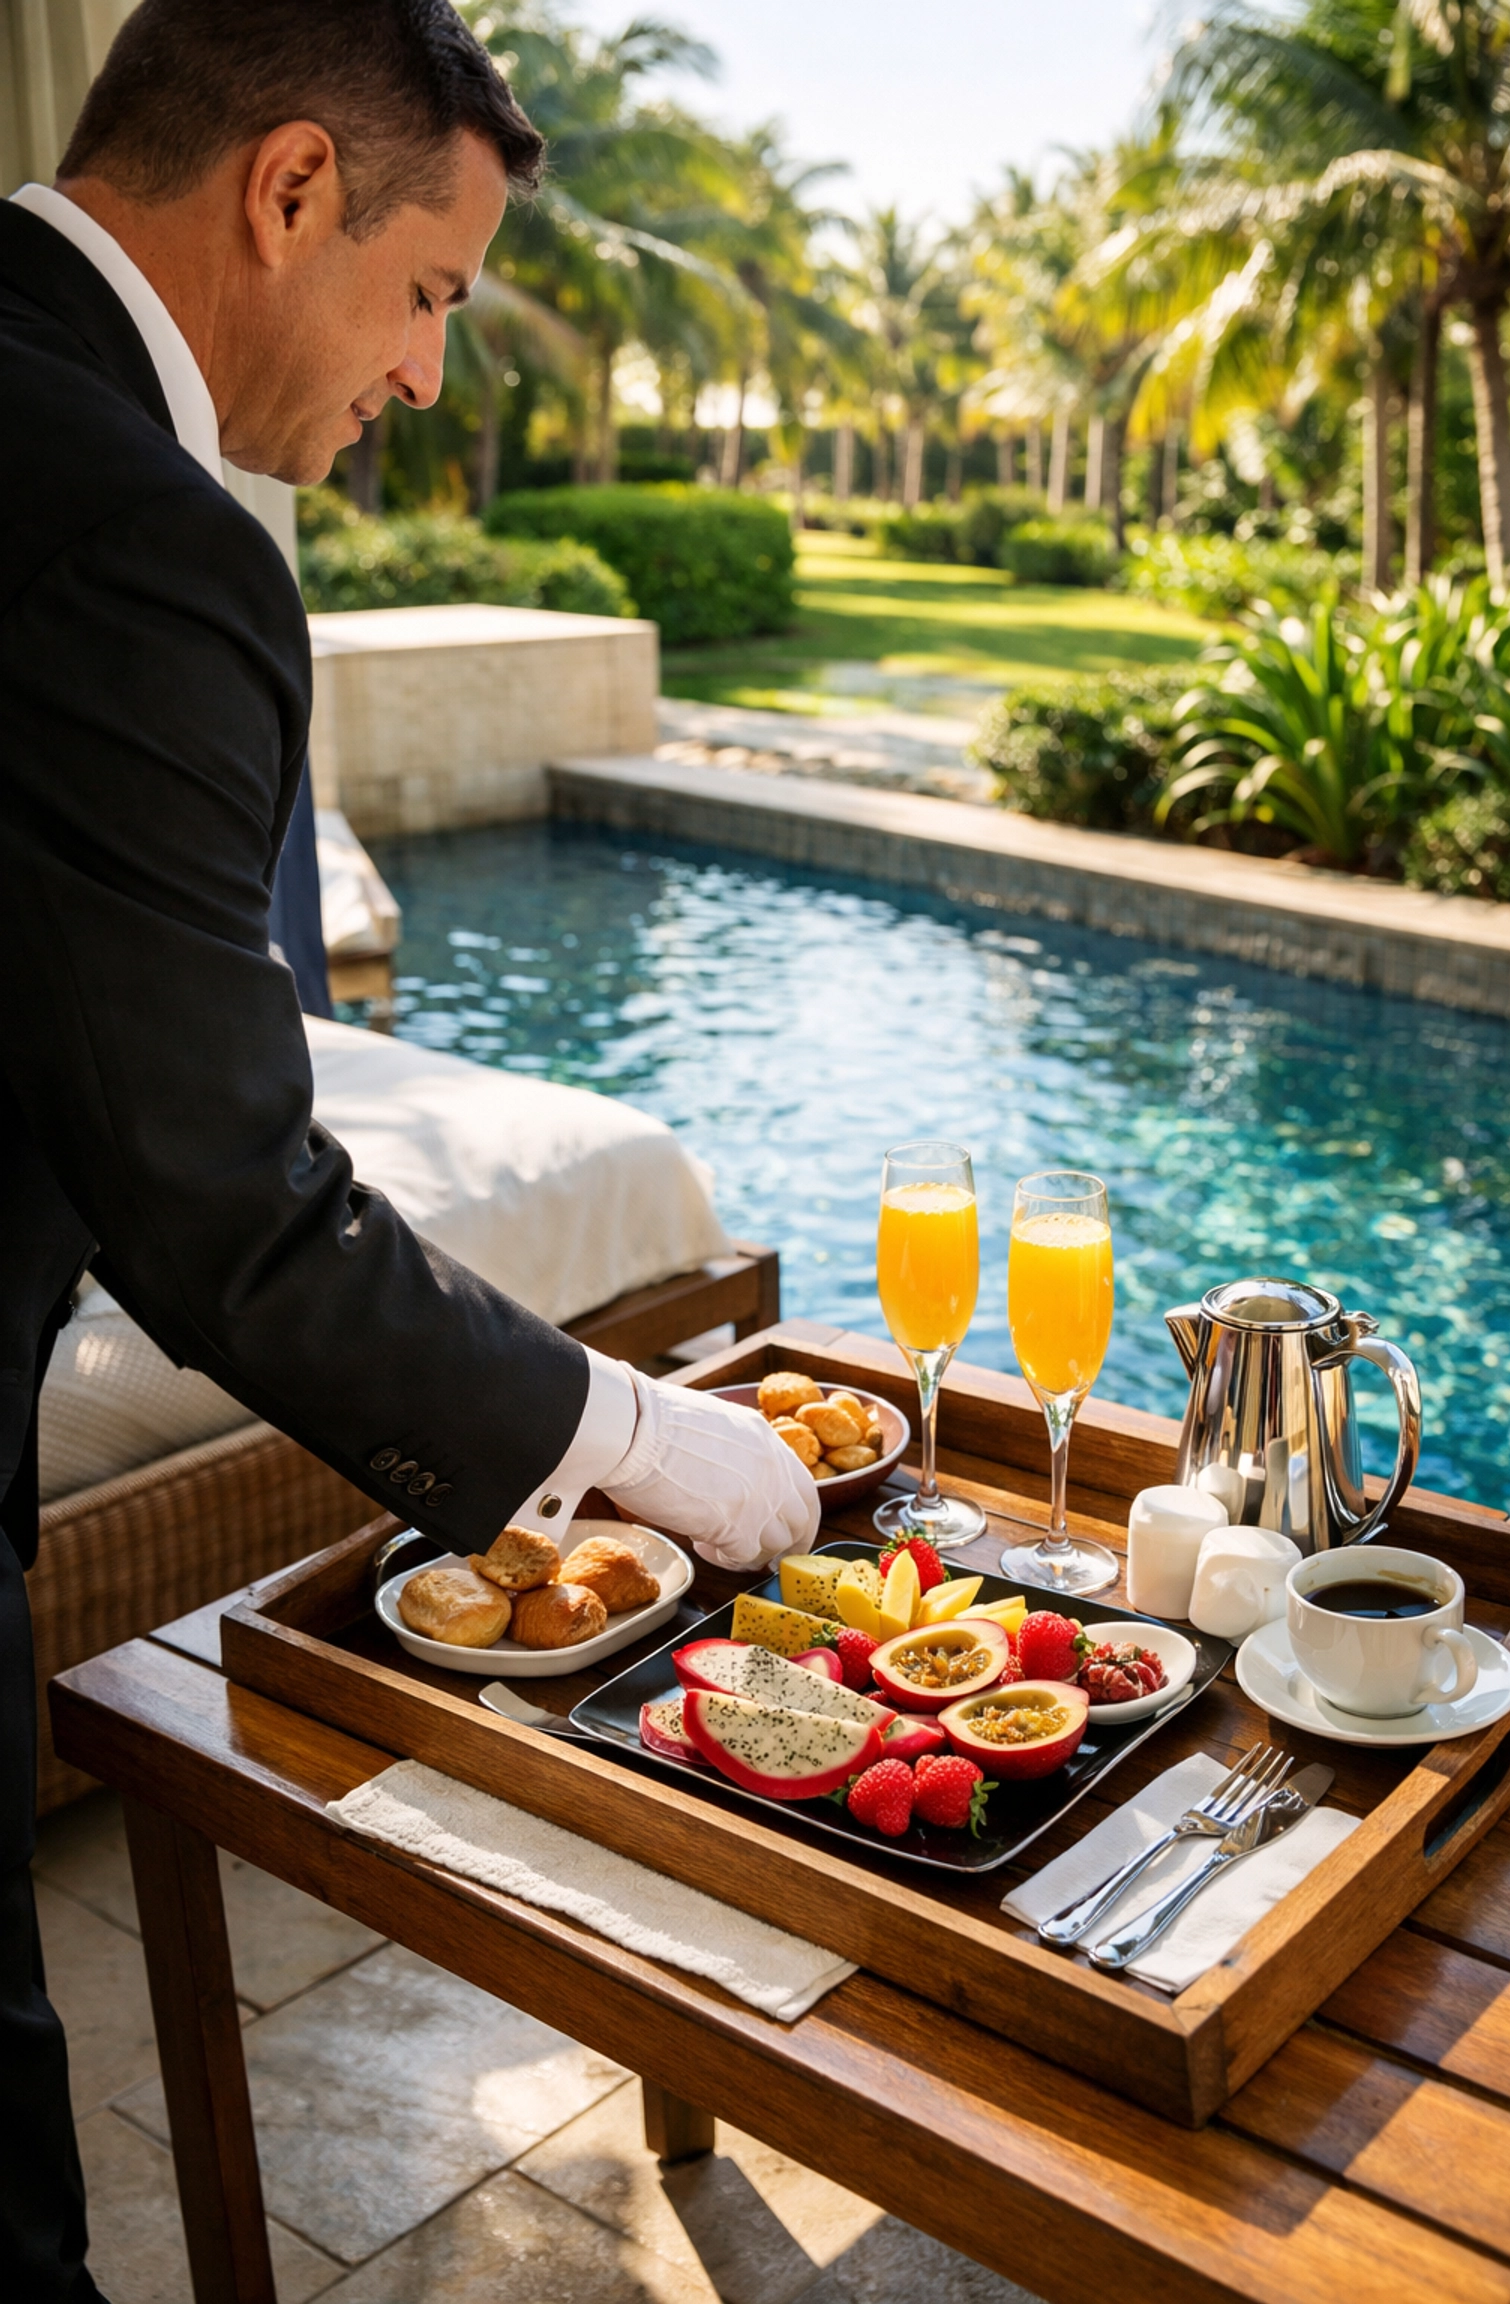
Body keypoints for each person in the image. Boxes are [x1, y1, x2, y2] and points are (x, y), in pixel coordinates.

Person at [0, 5, 818, 2294]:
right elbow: (220, 1194)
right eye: (434, 291)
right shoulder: (142, 539)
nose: (434, 376)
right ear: (286, 194)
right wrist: (622, 1418)